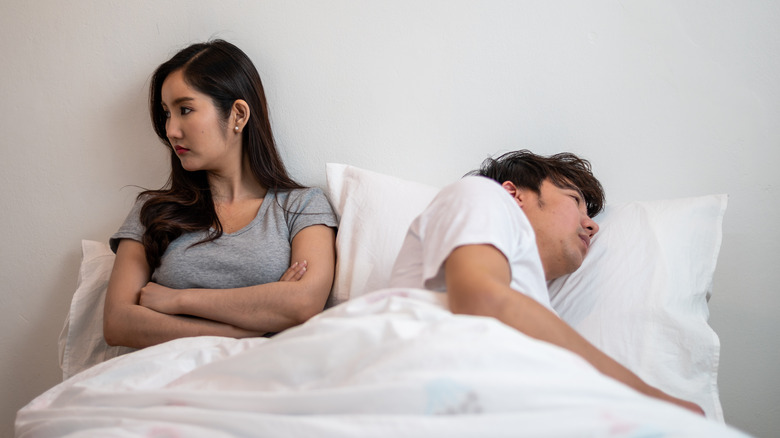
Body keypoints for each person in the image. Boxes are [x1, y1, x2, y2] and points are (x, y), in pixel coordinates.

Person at [389, 150, 704, 415]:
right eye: (574, 201)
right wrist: (655, 400)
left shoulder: (535, 307)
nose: (591, 224)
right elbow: (482, 300)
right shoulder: (484, 194)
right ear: (514, 195)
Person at [104, 40, 337, 349]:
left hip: (262, 383)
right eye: (167, 114)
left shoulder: (301, 206)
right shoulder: (152, 212)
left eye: (185, 110)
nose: (171, 129)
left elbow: (303, 303)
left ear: (238, 115)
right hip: (162, 382)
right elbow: (118, 323)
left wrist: (177, 300)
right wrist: (247, 328)